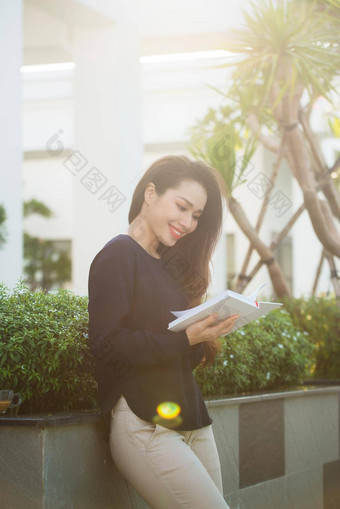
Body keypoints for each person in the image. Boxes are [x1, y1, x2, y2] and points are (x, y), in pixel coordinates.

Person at [87, 155, 239, 509]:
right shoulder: (117, 255)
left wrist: (205, 334)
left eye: (197, 216)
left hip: (194, 420)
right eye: (182, 207)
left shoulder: (172, 267)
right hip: (143, 423)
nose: (188, 223)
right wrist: (185, 337)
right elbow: (107, 343)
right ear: (151, 193)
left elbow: (178, 351)